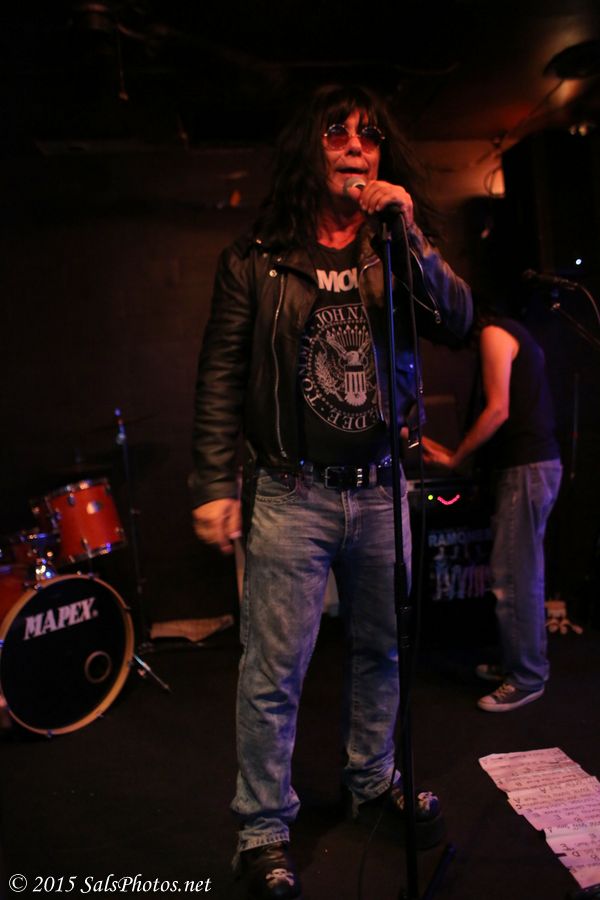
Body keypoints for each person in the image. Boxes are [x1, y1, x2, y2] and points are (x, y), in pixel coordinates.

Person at [189, 84, 472, 900]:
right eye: (337, 132)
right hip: (292, 493)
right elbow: (220, 373)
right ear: (306, 151)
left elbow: (458, 318)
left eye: (370, 136)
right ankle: (261, 828)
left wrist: (409, 230)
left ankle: (371, 777)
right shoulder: (256, 258)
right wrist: (213, 480)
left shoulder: (393, 249)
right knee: (275, 670)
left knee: (384, 651)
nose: (356, 146)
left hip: (382, 490)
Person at [422, 304, 562, 713]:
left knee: (514, 577)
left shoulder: (493, 333)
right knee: (523, 574)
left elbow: (498, 409)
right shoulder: (512, 331)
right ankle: (522, 662)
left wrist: (455, 458)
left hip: (525, 470)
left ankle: (526, 677)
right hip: (531, 468)